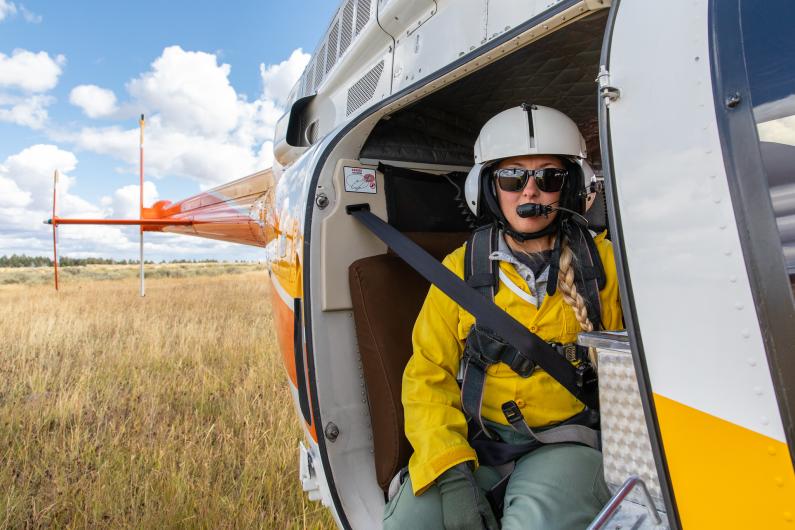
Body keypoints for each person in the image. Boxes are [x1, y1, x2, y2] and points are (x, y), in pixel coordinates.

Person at [383, 104, 623, 530]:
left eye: (549, 178)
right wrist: (452, 472)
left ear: (570, 189)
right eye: (513, 177)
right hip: (482, 442)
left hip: (570, 441)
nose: (529, 192)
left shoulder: (606, 264)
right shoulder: (459, 271)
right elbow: (426, 376)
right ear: (490, 188)